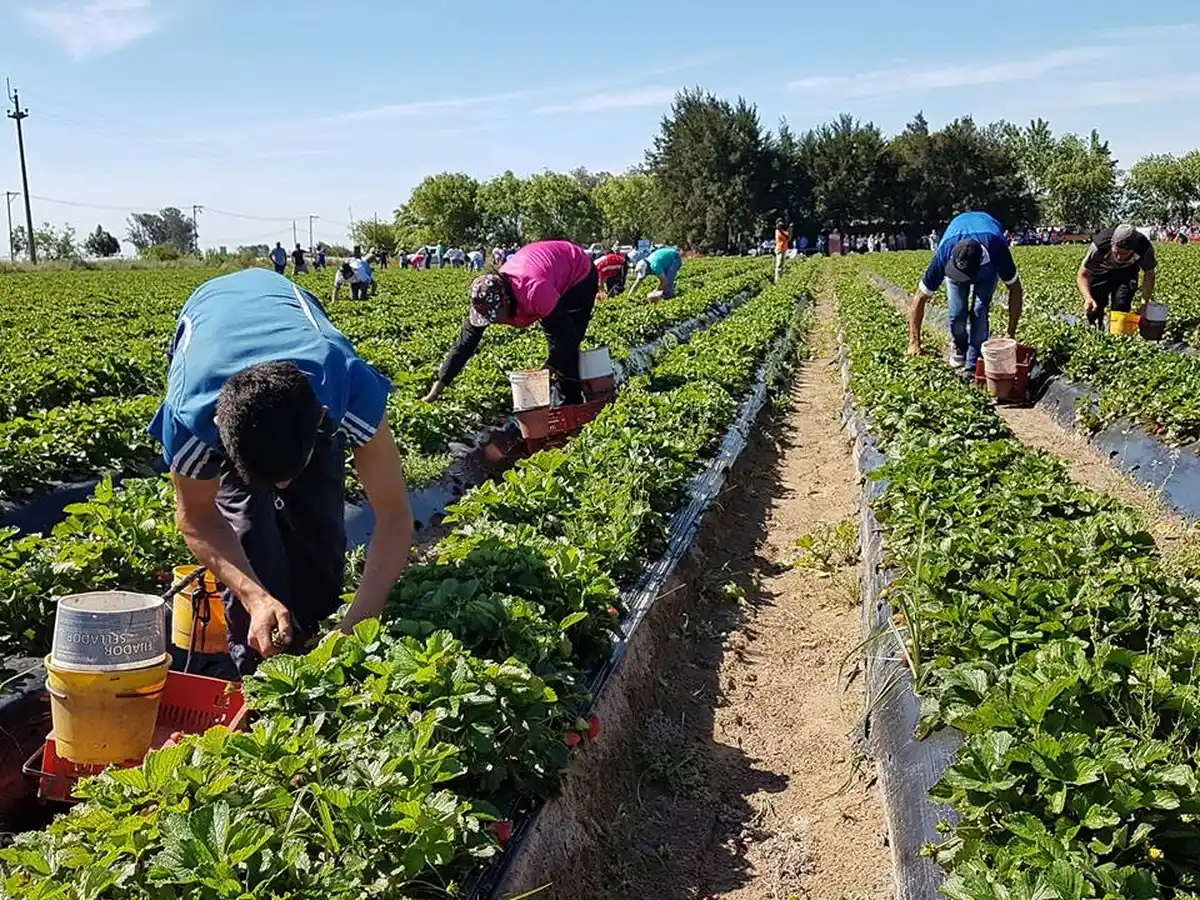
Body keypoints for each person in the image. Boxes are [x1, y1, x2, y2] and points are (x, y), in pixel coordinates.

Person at [148, 268, 412, 677]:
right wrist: (255, 597)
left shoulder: (346, 383)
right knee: (250, 535)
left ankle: (316, 630)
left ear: (323, 420)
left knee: (319, 527)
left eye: (293, 469)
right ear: (222, 435)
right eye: (268, 476)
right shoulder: (189, 419)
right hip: (211, 323)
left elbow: (394, 513)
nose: (284, 486)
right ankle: (257, 671)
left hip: (290, 331)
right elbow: (198, 517)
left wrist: (357, 621)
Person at [423, 240, 598, 408]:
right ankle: (563, 396)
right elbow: (464, 345)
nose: (492, 322)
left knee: (566, 341)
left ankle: (571, 403)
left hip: (578, 272)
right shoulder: (484, 301)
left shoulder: (535, 291)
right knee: (558, 347)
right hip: (547, 270)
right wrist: (439, 385)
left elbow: (566, 337)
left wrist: (546, 370)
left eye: (494, 316)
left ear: (506, 301)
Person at [909, 211, 1024, 371]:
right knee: (957, 313)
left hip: (987, 270)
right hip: (957, 240)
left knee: (979, 311)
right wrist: (914, 342)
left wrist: (1010, 334)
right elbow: (920, 297)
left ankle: (974, 360)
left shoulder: (996, 248)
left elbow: (1015, 289)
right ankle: (959, 346)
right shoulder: (945, 252)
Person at [1077, 224, 1156, 328]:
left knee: (1121, 304)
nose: (1119, 257)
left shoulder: (1144, 248)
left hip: (1127, 271)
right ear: (1111, 244)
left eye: (1125, 254)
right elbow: (1083, 274)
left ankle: (1117, 336)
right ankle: (1095, 328)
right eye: (1116, 252)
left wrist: (1144, 304)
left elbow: (1149, 275)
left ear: (1133, 249)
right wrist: (1087, 298)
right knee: (1096, 303)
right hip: (1102, 269)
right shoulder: (1100, 245)